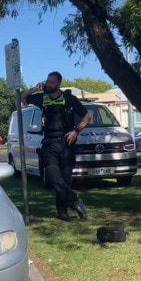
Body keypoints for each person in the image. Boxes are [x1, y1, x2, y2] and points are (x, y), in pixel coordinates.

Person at [21, 71, 92, 222]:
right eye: (47, 81)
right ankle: (75, 202)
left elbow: (87, 116)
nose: (48, 84)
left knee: (65, 179)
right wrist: (34, 89)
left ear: (59, 83)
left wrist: (76, 131)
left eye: (52, 82)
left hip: (67, 143)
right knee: (54, 178)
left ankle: (62, 212)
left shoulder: (69, 99)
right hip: (49, 144)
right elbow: (20, 97)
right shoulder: (42, 98)